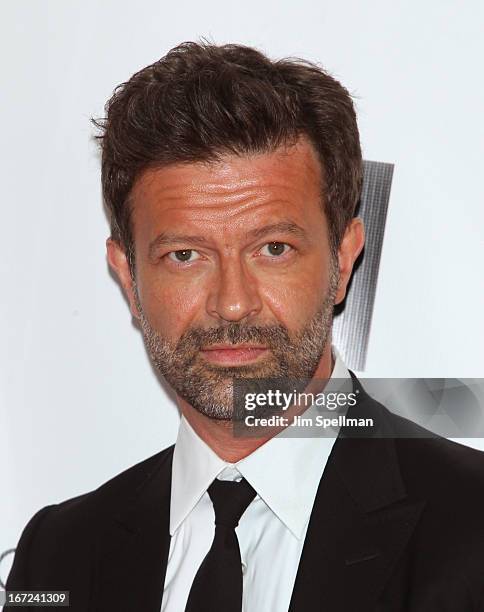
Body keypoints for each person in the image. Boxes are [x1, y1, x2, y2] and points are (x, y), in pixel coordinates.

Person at [6, 41, 484, 612]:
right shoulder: (57, 556)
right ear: (129, 278)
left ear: (343, 261)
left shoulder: (473, 533)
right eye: (185, 255)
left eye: (273, 248)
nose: (232, 304)